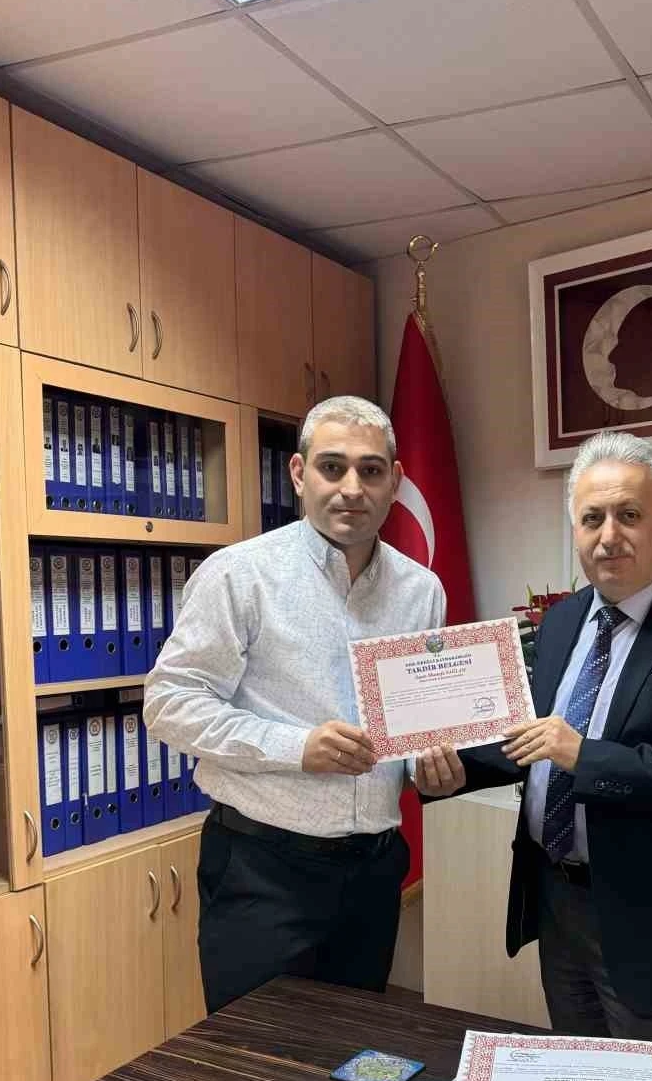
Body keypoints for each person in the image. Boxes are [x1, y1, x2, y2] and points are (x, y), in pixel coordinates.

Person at [414, 430, 652, 1062]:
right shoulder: (561, 621)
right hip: (559, 903)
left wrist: (586, 756)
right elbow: (530, 737)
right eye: (592, 519)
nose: (609, 536)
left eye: (629, 515)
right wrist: (453, 772)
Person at [144, 397, 444, 1014]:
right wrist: (295, 747)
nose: (352, 488)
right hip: (263, 870)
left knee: (352, 1052)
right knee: (255, 1058)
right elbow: (169, 702)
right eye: (333, 467)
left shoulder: (422, 591)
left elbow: (414, 721)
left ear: (395, 481)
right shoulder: (239, 575)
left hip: (372, 871)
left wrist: (431, 764)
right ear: (299, 474)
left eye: (371, 470)